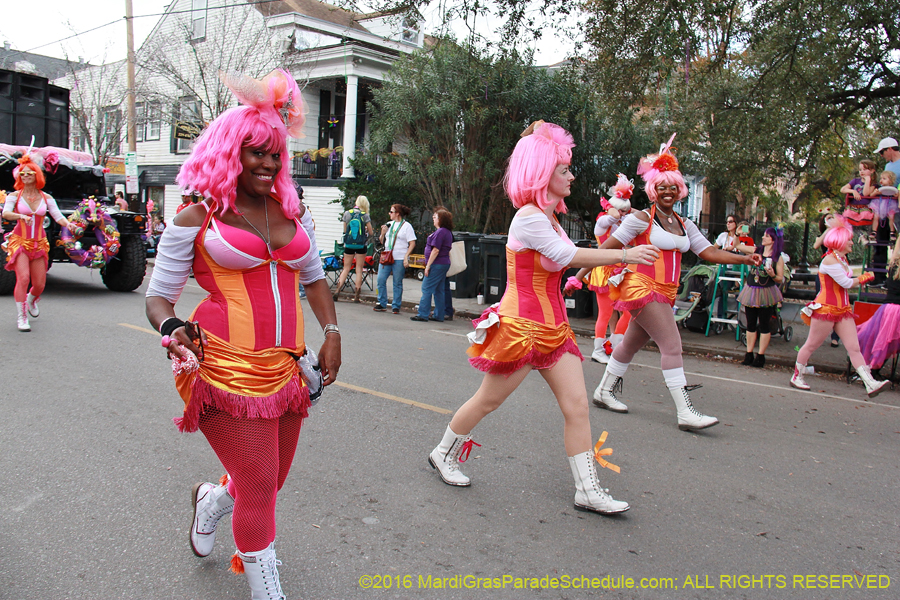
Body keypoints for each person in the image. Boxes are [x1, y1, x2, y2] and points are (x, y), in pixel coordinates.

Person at [144, 69, 341, 600]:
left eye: (275, 154)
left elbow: (316, 278)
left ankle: (210, 501)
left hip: (285, 369)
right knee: (258, 485)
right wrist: (171, 328)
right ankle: (264, 585)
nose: (269, 164)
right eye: (256, 152)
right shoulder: (197, 216)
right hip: (223, 364)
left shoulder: (291, 211)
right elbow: (158, 296)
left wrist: (332, 331)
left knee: (270, 480)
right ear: (231, 151)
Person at [427, 121, 660, 515]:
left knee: (578, 406)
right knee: (487, 401)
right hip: (520, 329)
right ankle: (442, 452)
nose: (571, 175)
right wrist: (624, 255)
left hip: (554, 330)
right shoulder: (528, 218)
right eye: (563, 169)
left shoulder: (551, 219)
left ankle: (587, 489)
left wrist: (588, 274)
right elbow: (568, 257)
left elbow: (568, 261)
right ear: (541, 174)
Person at [593, 134, 762, 431]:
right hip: (643, 288)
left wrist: (743, 259)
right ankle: (685, 411)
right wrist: (620, 258)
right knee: (672, 345)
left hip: (667, 293)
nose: (667, 191)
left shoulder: (686, 224)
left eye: (673, 187)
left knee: (631, 344)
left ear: (680, 190)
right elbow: (605, 249)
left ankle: (603, 391)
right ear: (653, 190)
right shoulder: (641, 219)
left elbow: (708, 251)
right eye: (662, 187)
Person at [792, 215, 887, 398]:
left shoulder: (841, 259)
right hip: (826, 309)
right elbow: (845, 283)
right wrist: (865, 277)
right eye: (849, 239)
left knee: (854, 347)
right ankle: (797, 376)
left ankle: (870, 383)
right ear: (840, 241)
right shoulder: (829, 260)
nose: (852, 242)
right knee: (811, 345)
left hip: (842, 310)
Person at [564, 173, 634, 363]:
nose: (623, 214)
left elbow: (635, 218)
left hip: (621, 271)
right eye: (622, 210)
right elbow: (610, 219)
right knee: (605, 313)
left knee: (627, 311)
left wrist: (625, 208)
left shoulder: (623, 221)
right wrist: (614, 209)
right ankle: (598, 349)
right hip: (604, 271)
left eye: (625, 211)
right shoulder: (603, 222)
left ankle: (614, 344)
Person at [2, 155, 76, 331]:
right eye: (22, 174)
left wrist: (69, 224)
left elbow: (58, 216)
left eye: (29, 173)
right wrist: (20, 216)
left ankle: (31, 299)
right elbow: (6, 213)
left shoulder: (46, 198)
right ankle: (21, 316)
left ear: (37, 176)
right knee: (23, 278)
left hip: (39, 243)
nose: (25, 176)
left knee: (40, 284)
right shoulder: (15, 196)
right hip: (20, 241)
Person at [736, 228, 785, 368]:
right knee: (750, 323)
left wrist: (772, 274)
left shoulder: (777, 257)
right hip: (751, 291)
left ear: (773, 240)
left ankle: (761, 356)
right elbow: (737, 245)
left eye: (767, 236)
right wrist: (738, 234)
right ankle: (749, 353)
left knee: (764, 324)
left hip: (766, 293)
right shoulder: (756, 250)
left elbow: (780, 279)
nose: (763, 238)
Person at [857, 235, 900, 376]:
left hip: (888, 308)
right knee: (886, 343)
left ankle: (873, 370)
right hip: (896, 310)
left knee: (885, 343)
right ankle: (873, 370)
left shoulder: (894, 264)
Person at [412, 207, 453, 322]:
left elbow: (435, 250)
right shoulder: (447, 232)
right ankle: (439, 315)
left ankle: (423, 314)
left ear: (441, 219)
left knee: (427, 288)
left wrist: (428, 265)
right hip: (444, 263)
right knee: (439, 290)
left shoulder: (440, 232)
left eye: (435, 217)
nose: (433, 219)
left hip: (437, 263)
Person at [374, 204, 416, 314]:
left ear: (397, 213)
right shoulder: (389, 225)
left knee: (397, 281)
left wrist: (406, 256)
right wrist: (382, 234)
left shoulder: (407, 226)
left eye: (391, 212)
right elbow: (381, 241)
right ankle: (382, 302)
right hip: (387, 255)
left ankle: (396, 305)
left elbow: (412, 243)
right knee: (380, 279)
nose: (389, 214)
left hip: (399, 256)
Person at [334, 195, 374, 303]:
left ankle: (337, 290)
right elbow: (371, 232)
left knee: (346, 268)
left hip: (349, 244)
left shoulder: (347, 213)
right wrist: (365, 231)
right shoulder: (364, 215)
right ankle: (357, 295)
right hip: (361, 245)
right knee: (359, 269)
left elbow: (345, 230)